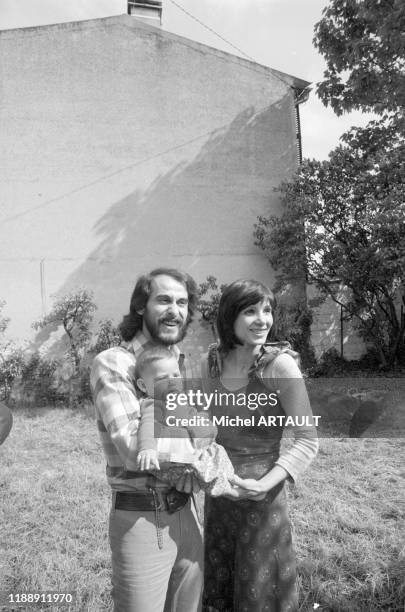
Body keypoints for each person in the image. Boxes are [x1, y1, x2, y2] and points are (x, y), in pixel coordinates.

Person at [90, 268, 204, 612]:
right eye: (164, 300)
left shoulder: (182, 365)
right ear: (141, 306)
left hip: (189, 515)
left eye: (182, 302)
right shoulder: (114, 363)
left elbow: (202, 427)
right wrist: (203, 456)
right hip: (143, 519)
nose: (175, 310)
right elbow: (132, 448)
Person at [201, 280, 319, 612]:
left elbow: (307, 441)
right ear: (229, 317)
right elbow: (204, 423)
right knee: (219, 587)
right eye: (250, 311)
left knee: (259, 594)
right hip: (219, 495)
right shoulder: (212, 360)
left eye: (267, 311)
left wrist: (263, 485)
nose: (262, 320)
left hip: (262, 500)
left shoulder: (279, 366)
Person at [134, 345, 235, 496]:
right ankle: (227, 488)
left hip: (191, 455)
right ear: (143, 385)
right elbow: (148, 425)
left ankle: (230, 481)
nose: (172, 381)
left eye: (175, 375)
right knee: (209, 462)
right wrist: (147, 448)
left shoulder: (182, 401)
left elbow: (197, 416)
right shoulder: (154, 404)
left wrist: (205, 426)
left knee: (217, 451)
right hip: (175, 462)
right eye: (162, 378)